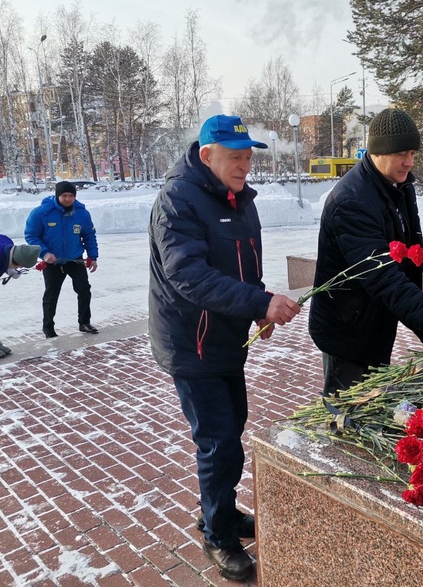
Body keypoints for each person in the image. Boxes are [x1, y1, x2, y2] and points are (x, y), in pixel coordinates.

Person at [148, 114, 300, 581]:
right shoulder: (178, 200)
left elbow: (244, 265)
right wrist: (259, 301)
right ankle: (218, 535)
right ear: (206, 154)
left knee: (232, 428)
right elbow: (188, 275)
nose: (245, 165)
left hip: (226, 338)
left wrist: (257, 306)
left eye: (249, 156)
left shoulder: (239, 200)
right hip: (192, 343)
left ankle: (222, 512)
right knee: (217, 443)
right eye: (235, 157)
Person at [309, 108, 423, 397]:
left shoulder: (397, 186)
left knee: (371, 402)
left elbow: (409, 251)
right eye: (402, 153)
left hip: (375, 320)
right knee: (348, 415)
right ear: (378, 151)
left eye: (413, 153)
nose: (409, 162)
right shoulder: (351, 200)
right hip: (347, 331)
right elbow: (381, 275)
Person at [25, 180, 99, 338]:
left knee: (84, 290)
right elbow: (31, 235)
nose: (67, 199)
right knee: (51, 294)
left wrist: (92, 256)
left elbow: (89, 235)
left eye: (71, 196)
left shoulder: (81, 213)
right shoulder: (41, 213)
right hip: (52, 262)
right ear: (57, 195)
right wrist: (44, 253)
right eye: (64, 195)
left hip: (75, 259)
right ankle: (48, 327)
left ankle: (84, 322)